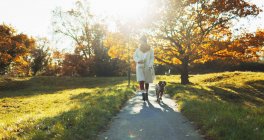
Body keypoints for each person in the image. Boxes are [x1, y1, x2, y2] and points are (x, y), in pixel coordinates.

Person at [133, 35, 155, 101]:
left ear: (145, 41)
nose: (141, 42)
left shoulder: (150, 49)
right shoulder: (137, 49)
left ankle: (146, 94)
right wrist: (138, 60)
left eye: (142, 41)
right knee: (141, 81)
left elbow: (152, 58)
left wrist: (150, 65)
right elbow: (134, 57)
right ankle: (143, 95)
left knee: (147, 81)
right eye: (140, 41)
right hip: (139, 67)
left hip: (147, 67)